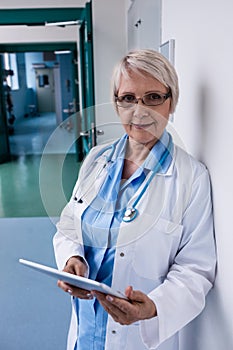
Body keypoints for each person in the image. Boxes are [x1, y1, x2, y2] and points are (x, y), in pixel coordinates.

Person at [53, 49, 216, 350]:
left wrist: (152, 307)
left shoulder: (191, 177)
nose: (140, 111)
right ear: (115, 103)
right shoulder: (96, 159)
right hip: (86, 332)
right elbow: (69, 224)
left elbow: (195, 269)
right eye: (128, 98)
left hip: (137, 338)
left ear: (171, 102)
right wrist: (71, 258)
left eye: (153, 97)